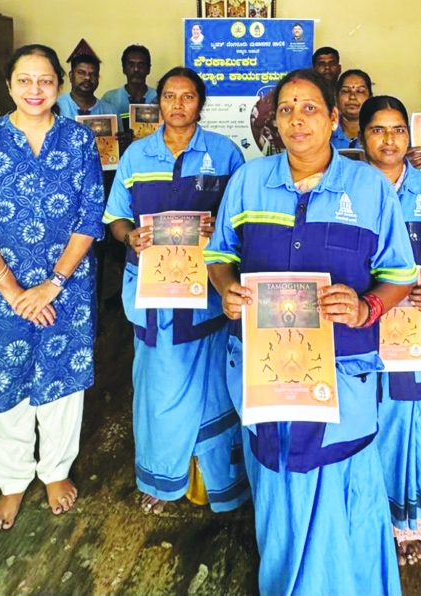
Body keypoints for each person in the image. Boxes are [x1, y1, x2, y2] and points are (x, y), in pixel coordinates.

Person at [206, 68, 417, 596]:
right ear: (273, 121)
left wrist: (367, 306)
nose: (297, 119)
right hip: (265, 366)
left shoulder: (368, 187)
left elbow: (399, 273)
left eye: (309, 108)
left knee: (344, 476)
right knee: (277, 482)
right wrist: (228, 287)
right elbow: (218, 255)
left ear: (332, 118)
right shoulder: (249, 182)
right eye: (286, 110)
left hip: (344, 367)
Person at [0, 44, 105, 531]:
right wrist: (14, 290)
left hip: (67, 286)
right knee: (0, 379)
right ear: (9, 85)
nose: (35, 90)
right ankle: (11, 479)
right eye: (24, 80)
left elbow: (90, 217)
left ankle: (56, 469)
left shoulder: (79, 141)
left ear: (58, 84)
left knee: (61, 377)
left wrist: (53, 284)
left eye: (44, 80)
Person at [103, 67, 249, 515]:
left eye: (188, 97)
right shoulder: (136, 156)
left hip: (206, 292)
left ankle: (214, 481)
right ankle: (162, 476)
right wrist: (131, 237)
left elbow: (240, 221)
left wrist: (215, 228)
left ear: (200, 104)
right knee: (159, 387)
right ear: (158, 103)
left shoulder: (225, 154)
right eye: (170, 96)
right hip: (154, 295)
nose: (178, 105)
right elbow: (116, 218)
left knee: (214, 388)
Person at [359, 96, 421, 567]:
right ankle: (366, 519)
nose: (389, 139)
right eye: (378, 130)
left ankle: (406, 523)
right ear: (361, 137)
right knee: (364, 412)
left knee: (412, 416)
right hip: (361, 320)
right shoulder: (347, 187)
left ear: (410, 137)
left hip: (419, 323)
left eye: (398, 129)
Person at [101, 45, 157, 155]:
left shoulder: (159, 97)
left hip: (152, 157)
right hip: (120, 160)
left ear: (148, 69)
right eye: (131, 64)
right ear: (124, 69)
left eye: (141, 65)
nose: (136, 69)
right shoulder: (109, 99)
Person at [55, 51, 116, 119]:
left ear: (98, 77)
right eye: (81, 73)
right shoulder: (55, 106)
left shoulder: (110, 111)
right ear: (71, 76)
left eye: (93, 74)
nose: (87, 78)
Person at [332, 69, 372, 150]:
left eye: (360, 91)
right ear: (336, 97)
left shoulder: (378, 133)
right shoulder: (324, 133)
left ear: (370, 97)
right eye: (346, 91)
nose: (352, 97)